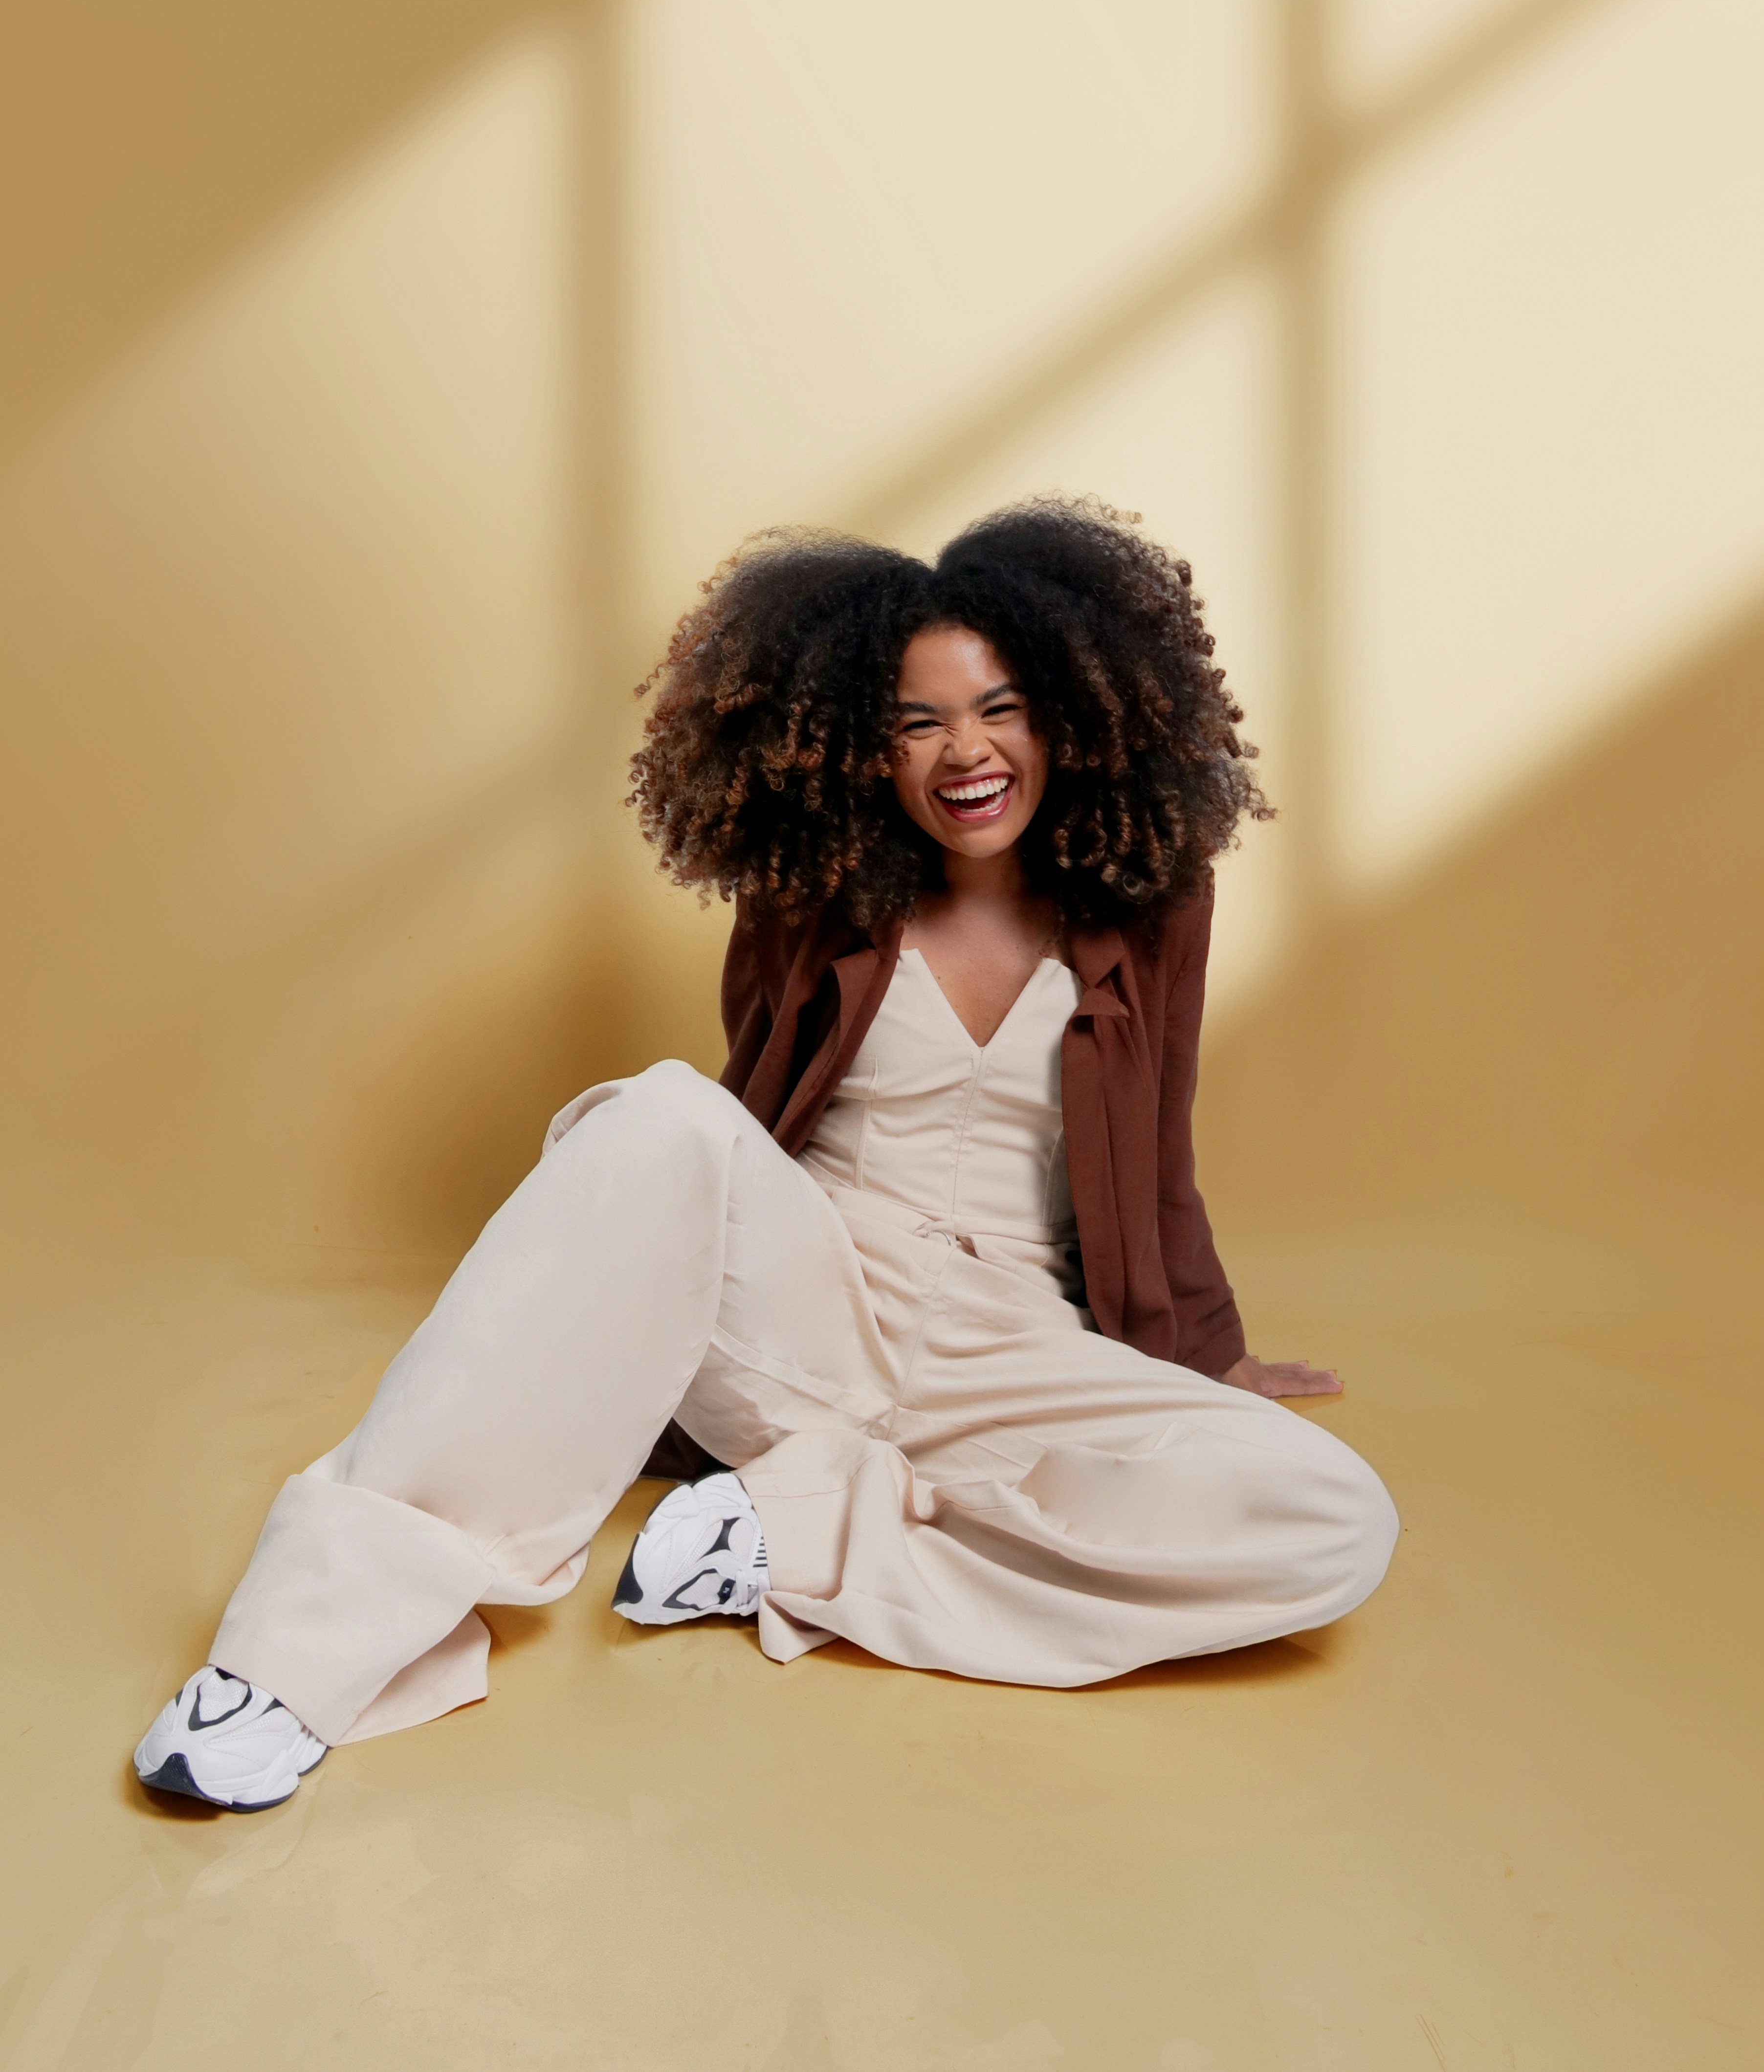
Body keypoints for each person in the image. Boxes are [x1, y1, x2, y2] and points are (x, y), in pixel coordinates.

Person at [135, 500, 1397, 1809]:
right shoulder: (820, 883)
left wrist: (1209, 1350)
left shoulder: (1152, 896)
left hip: (1017, 1348)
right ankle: (289, 1660)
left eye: (1002, 706)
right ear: (870, 745)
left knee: (1335, 1519)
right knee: (663, 1111)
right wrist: (654, 1295)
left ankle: (796, 1531)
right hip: (809, 1303)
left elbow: (1162, 1135)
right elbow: (746, 1109)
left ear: (1075, 710)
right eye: (919, 721)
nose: (967, 750)